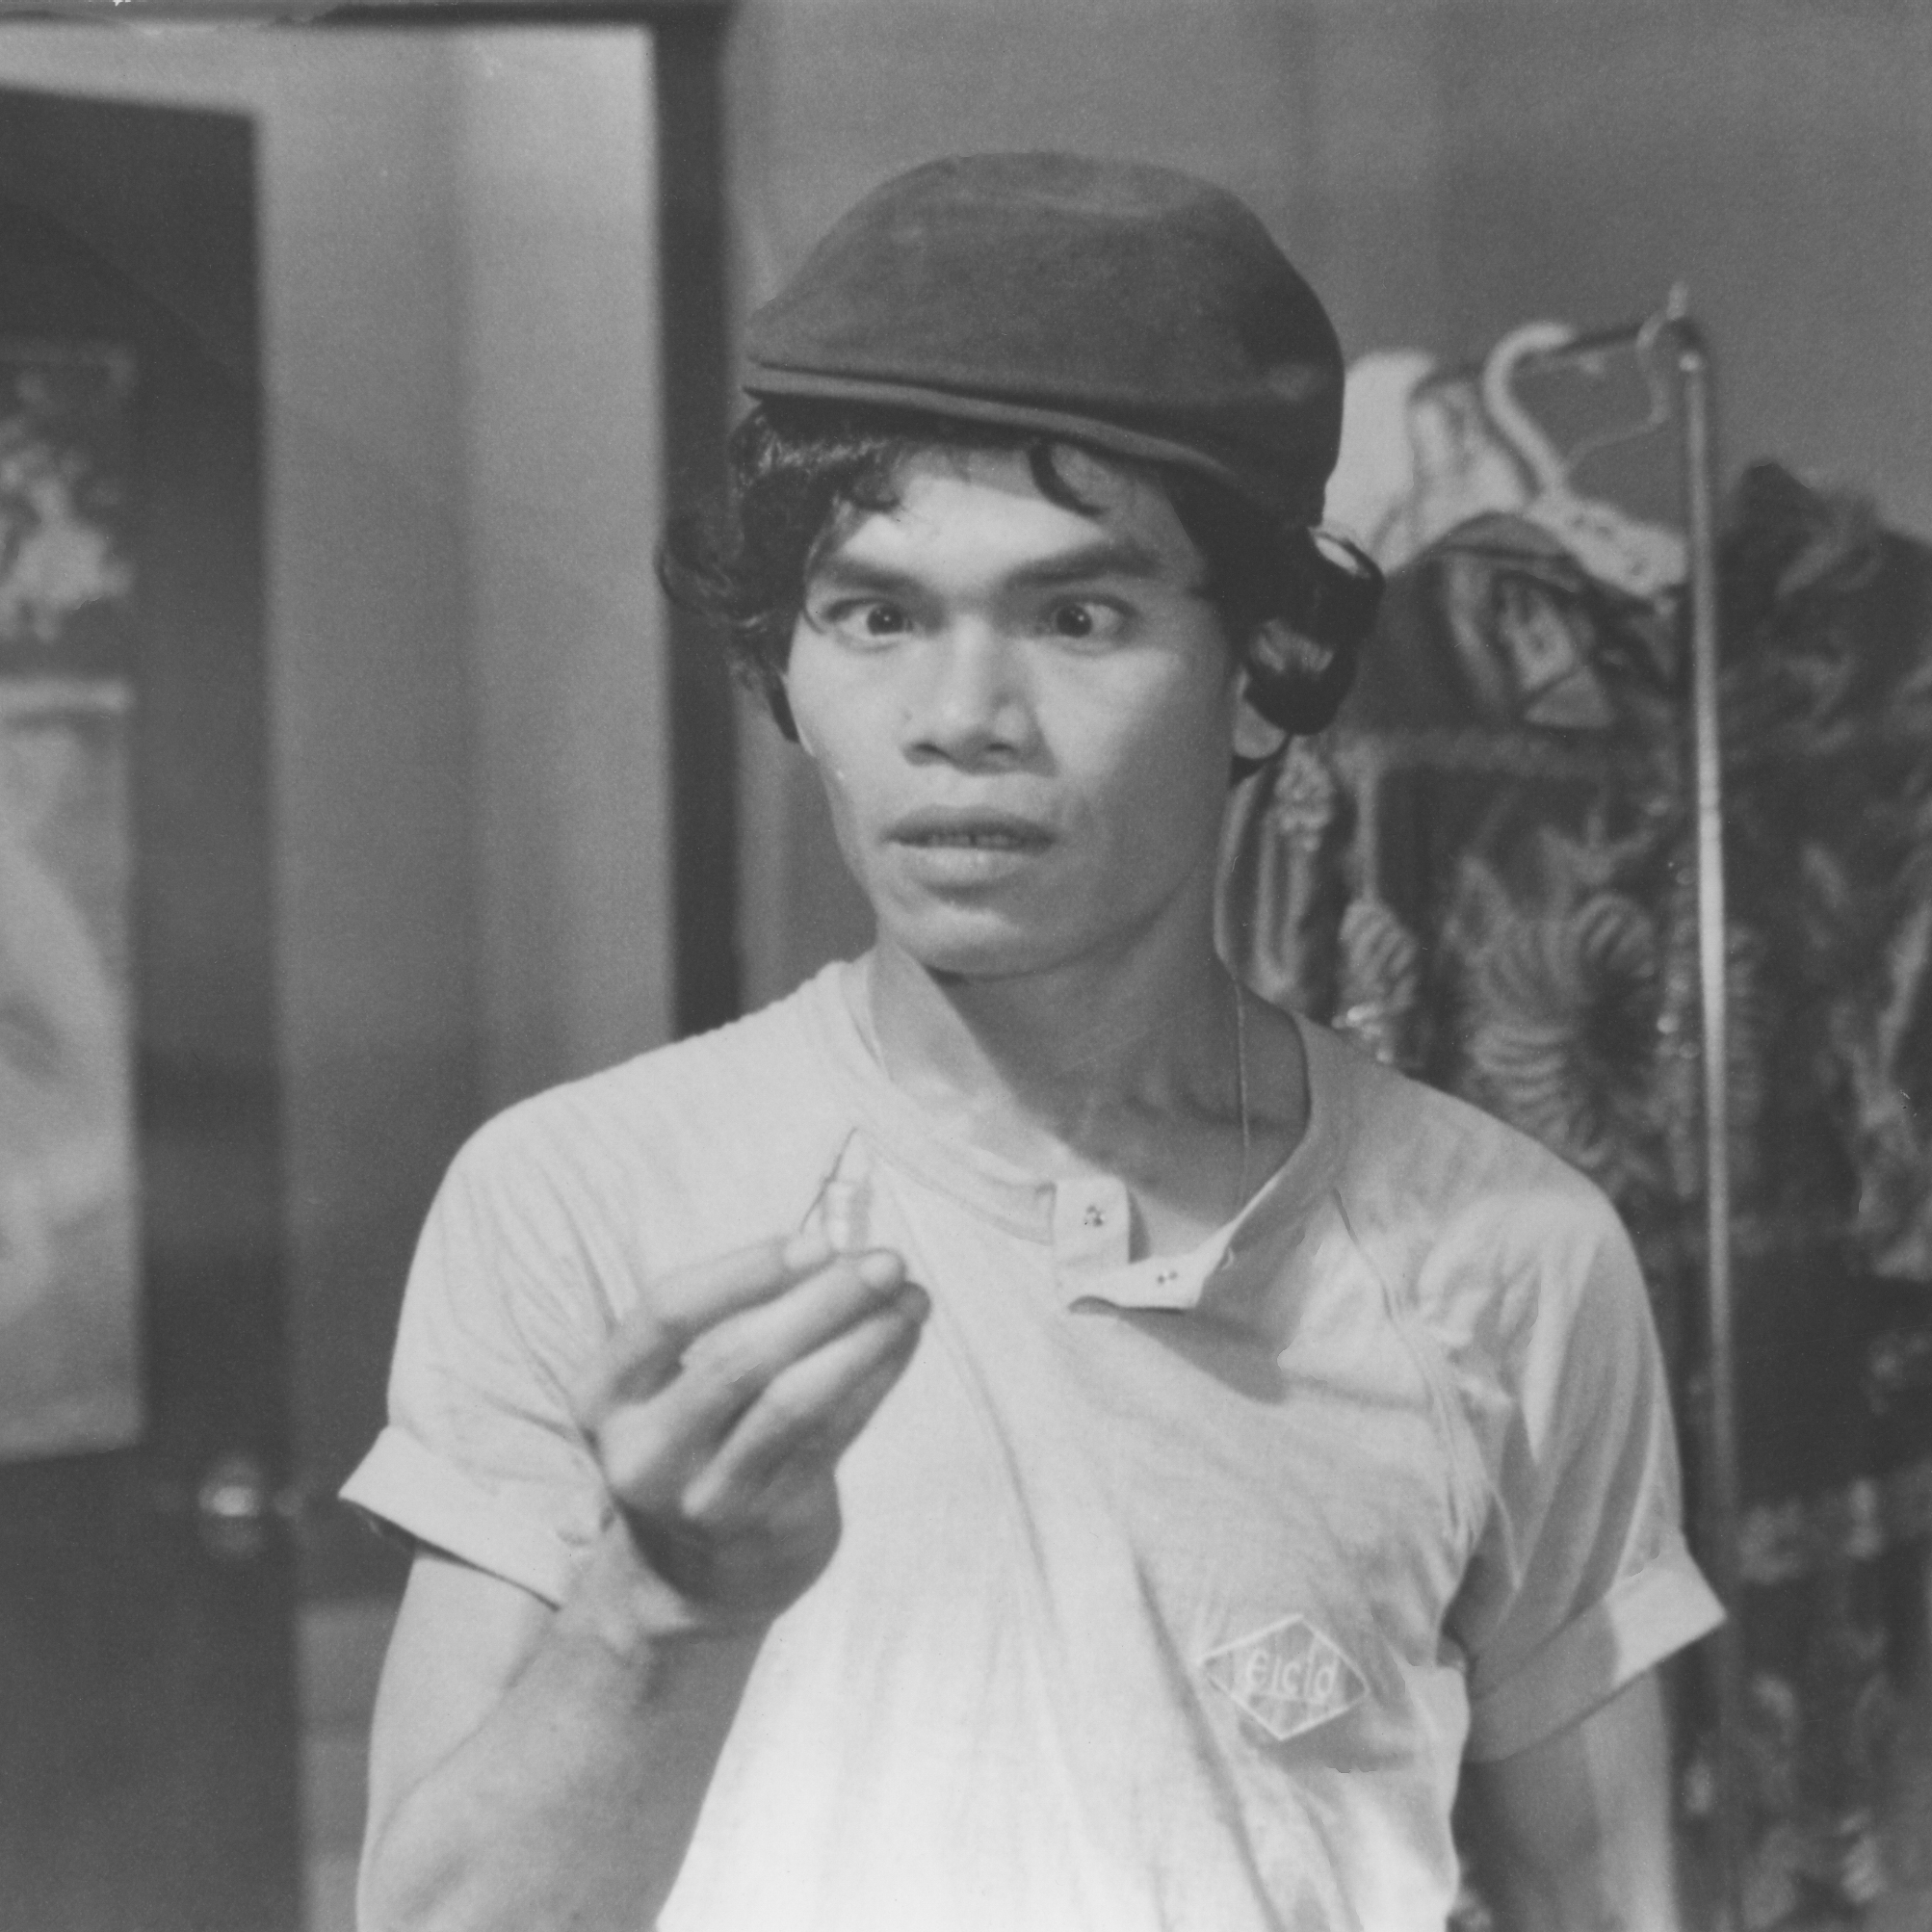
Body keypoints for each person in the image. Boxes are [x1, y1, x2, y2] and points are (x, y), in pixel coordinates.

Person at [348, 153, 1724, 1932]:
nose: (958, 718)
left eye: (1077, 617)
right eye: (876, 615)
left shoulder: (1510, 1252)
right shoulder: (581, 1200)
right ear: (784, 665)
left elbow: (1607, 1901)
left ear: (1261, 663)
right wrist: (658, 1604)